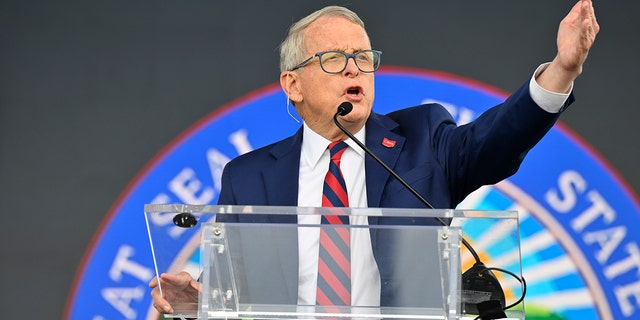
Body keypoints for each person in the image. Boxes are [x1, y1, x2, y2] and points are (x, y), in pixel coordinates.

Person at [150, 0, 599, 314]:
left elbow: (496, 140)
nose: (353, 68)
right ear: (293, 85)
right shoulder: (247, 178)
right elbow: (237, 293)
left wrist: (561, 69)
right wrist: (198, 306)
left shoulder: (423, 138)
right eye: (333, 58)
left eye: (364, 57)